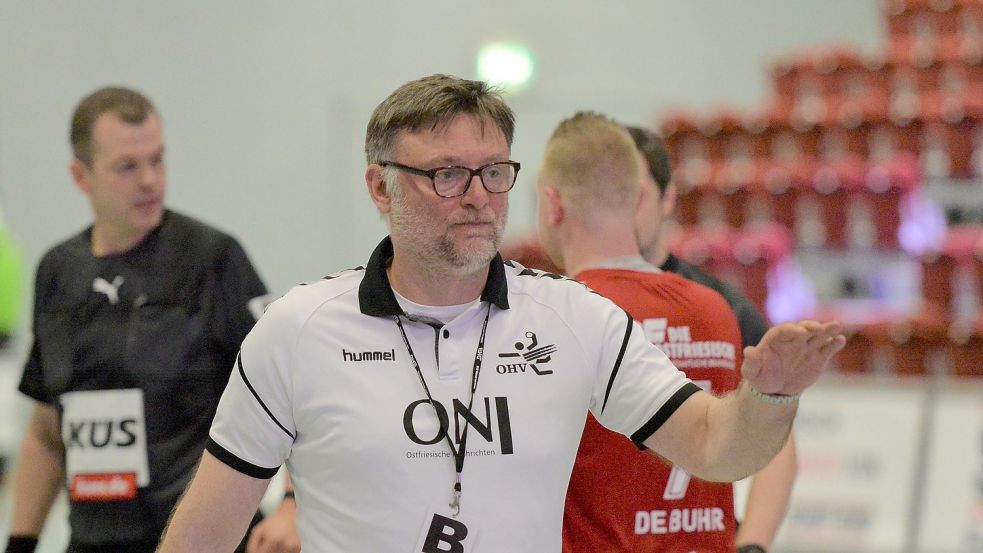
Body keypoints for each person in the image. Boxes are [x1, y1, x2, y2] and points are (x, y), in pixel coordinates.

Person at [157, 74, 844, 553]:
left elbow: (714, 448)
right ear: (379, 185)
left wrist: (767, 396)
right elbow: (205, 532)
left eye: (493, 172)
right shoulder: (299, 329)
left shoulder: (575, 317)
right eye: (446, 174)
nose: (477, 196)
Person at [3, 87, 268, 553]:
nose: (150, 180)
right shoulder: (58, 272)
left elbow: (287, 397)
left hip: (199, 541)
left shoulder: (212, 258)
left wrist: (291, 505)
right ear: (80, 176)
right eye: (128, 166)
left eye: (158, 160)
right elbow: (47, 430)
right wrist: (21, 542)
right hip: (92, 540)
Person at [532, 111, 756, 552]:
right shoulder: (715, 309)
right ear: (638, 199)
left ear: (553, 204)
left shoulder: (552, 316)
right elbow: (755, 442)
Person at [629, 125, 798, 553]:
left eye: (635, 193)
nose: (621, 210)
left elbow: (776, 440)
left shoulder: (721, 306)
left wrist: (753, 546)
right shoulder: (569, 301)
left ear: (667, 198)